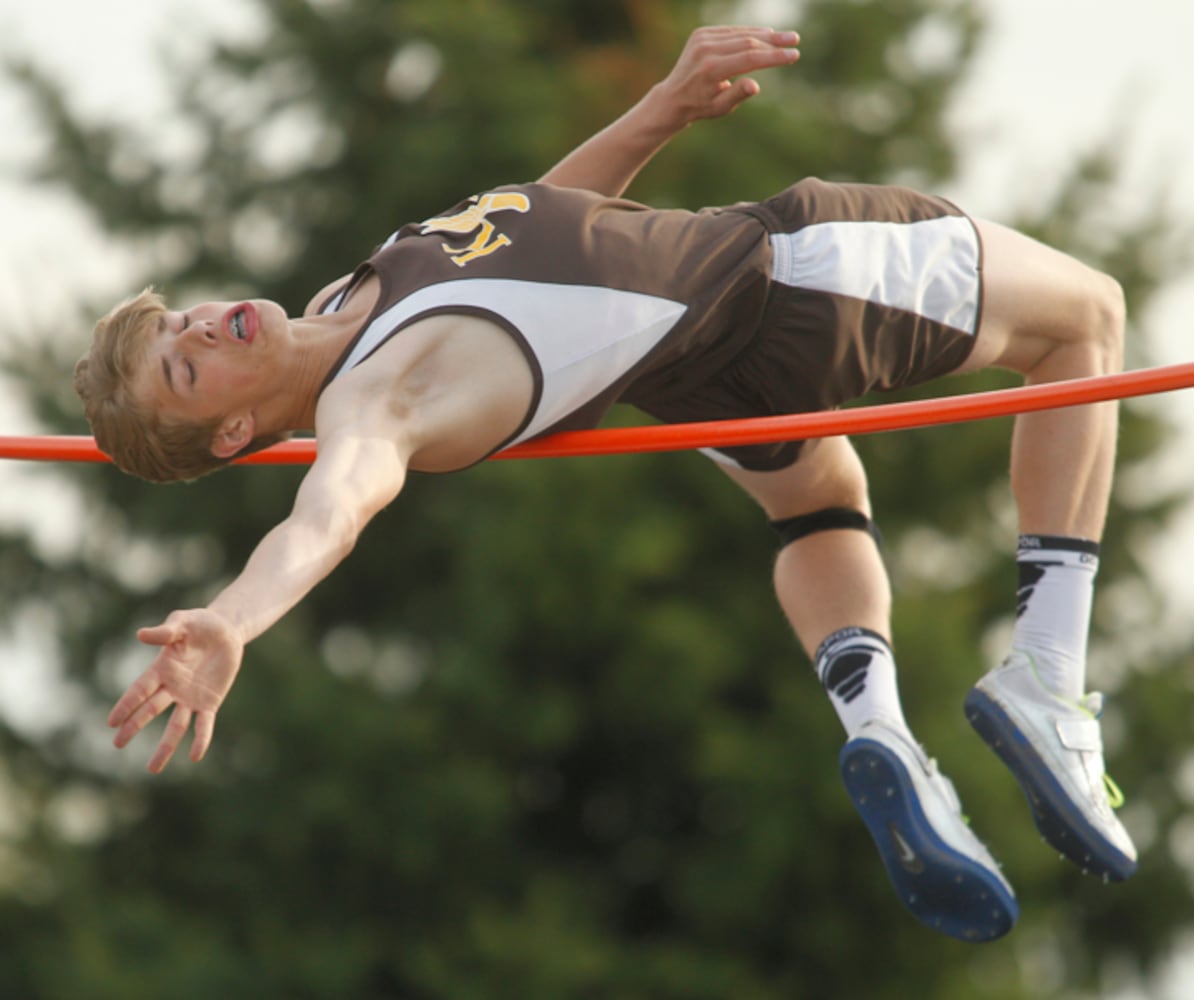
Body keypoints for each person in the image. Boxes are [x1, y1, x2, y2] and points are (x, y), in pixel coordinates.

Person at [74, 25, 1135, 943]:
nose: (202, 326)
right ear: (237, 432)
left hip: (698, 376)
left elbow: (546, 220)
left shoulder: (346, 294)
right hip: (788, 281)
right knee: (1084, 320)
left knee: (815, 499)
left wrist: (664, 107)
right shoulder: (376, 401)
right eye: (186, 367)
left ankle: (881, 732)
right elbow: (328, 517)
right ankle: (1045, 676)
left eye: (178, 322)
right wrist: (232, 622)